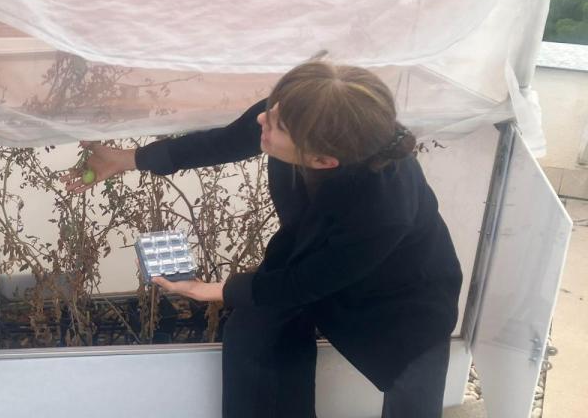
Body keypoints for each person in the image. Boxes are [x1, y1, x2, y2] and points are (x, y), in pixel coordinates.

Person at [65, 61, 463, 418]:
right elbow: (220, 142)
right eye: (273, 106)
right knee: (255, 332)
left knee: (413, 390)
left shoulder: (383, 208)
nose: (263, 120)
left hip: (398, 296)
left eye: (276, 124)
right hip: (312, 260)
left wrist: (211, 289)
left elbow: (305, 283)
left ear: (322, 161)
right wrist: (127, 159)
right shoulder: (299, 112)